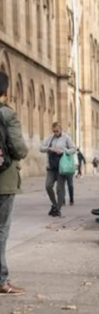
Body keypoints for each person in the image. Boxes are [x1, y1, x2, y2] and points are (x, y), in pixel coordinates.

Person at [0, 71, 28, 295]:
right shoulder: (7, 115)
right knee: (1, 230)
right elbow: (19, 148)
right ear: (6, 91)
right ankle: (1, 281)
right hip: (3, 180)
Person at [40, 122, 76, 217]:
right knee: (48, 186)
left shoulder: (66, 138)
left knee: (60, 189)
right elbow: (41, 148)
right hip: (51, 167)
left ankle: (58, 208)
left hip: (61, 167)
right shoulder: (50, 138)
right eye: (54, 131)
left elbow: (73, 149)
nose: (55, 133)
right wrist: (49, 148)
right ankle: (54, 204)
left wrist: (64, 150)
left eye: (57, 131)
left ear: (61, 129)